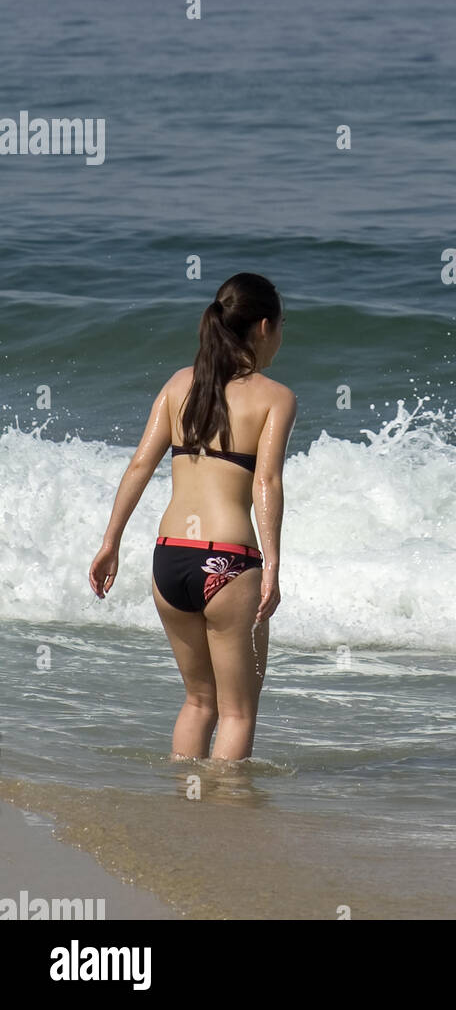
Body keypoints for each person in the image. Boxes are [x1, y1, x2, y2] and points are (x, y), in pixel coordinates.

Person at [88, 273, 297, 762]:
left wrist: (110, 542)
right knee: (239, 712)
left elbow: (140, 463)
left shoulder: (180, 384)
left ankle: (186, 812)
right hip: (228, 563)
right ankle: (223, 824)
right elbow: (266, 483)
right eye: (283, 325)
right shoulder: (275, 397)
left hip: (169, 561)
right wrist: (272, 565)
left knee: (198, 702)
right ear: (264, 326)